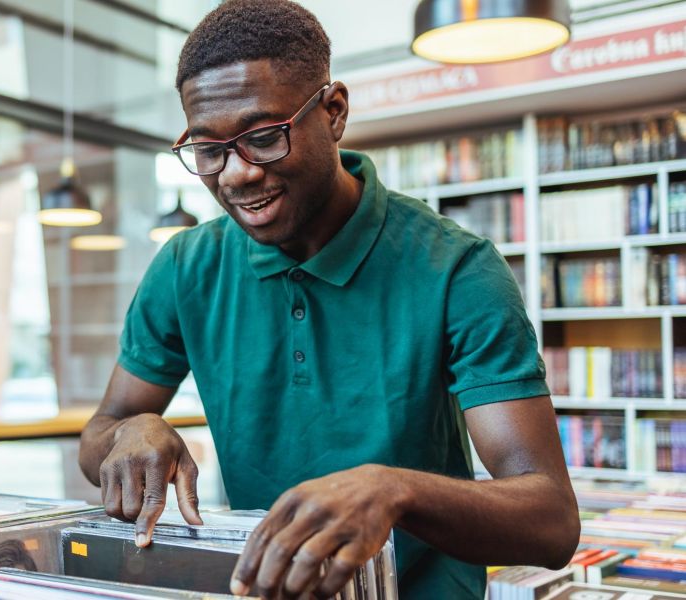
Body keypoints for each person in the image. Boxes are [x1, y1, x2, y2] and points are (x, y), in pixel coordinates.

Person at [78, 0, 580, 598]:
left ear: (334, 112)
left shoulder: (457, 269)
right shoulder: (186, 267)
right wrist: (130, 432)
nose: (236, 174)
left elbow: (550, 521)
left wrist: (395, 489)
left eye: (263, 137)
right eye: (209, 149)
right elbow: (99, 435)